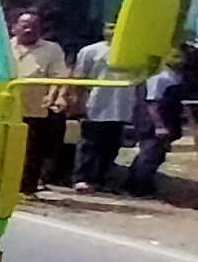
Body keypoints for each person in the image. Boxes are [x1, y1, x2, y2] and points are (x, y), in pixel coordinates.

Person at [10, 11, 72, 196]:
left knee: (32, 151)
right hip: (4, 107)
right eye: (24, 25)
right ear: (15, 27)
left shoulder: (52, 49)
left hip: (34, 109)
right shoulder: (2, 44)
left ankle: (27, 189)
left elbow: (58, 76)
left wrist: (57, 96)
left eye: (34, 26)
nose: (29, 29)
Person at [73, 32, 137, 190]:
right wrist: (77, 102)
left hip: (121, 105)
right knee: (90, 144)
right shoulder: (90, 51)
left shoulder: (133, 53)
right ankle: (82, 178)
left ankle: (101, 178)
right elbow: (79, 77)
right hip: (96, 103)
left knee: (112, 144)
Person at [127, 47, 192, 197]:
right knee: (149, 155)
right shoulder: (160, 77)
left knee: (156, 154)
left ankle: (138, 184)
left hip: (168, 120)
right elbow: (152, 103)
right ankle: (139, 188)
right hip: (151, 123)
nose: (180, 60)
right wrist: (159, 126)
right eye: (175, 57)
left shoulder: (174, 76)